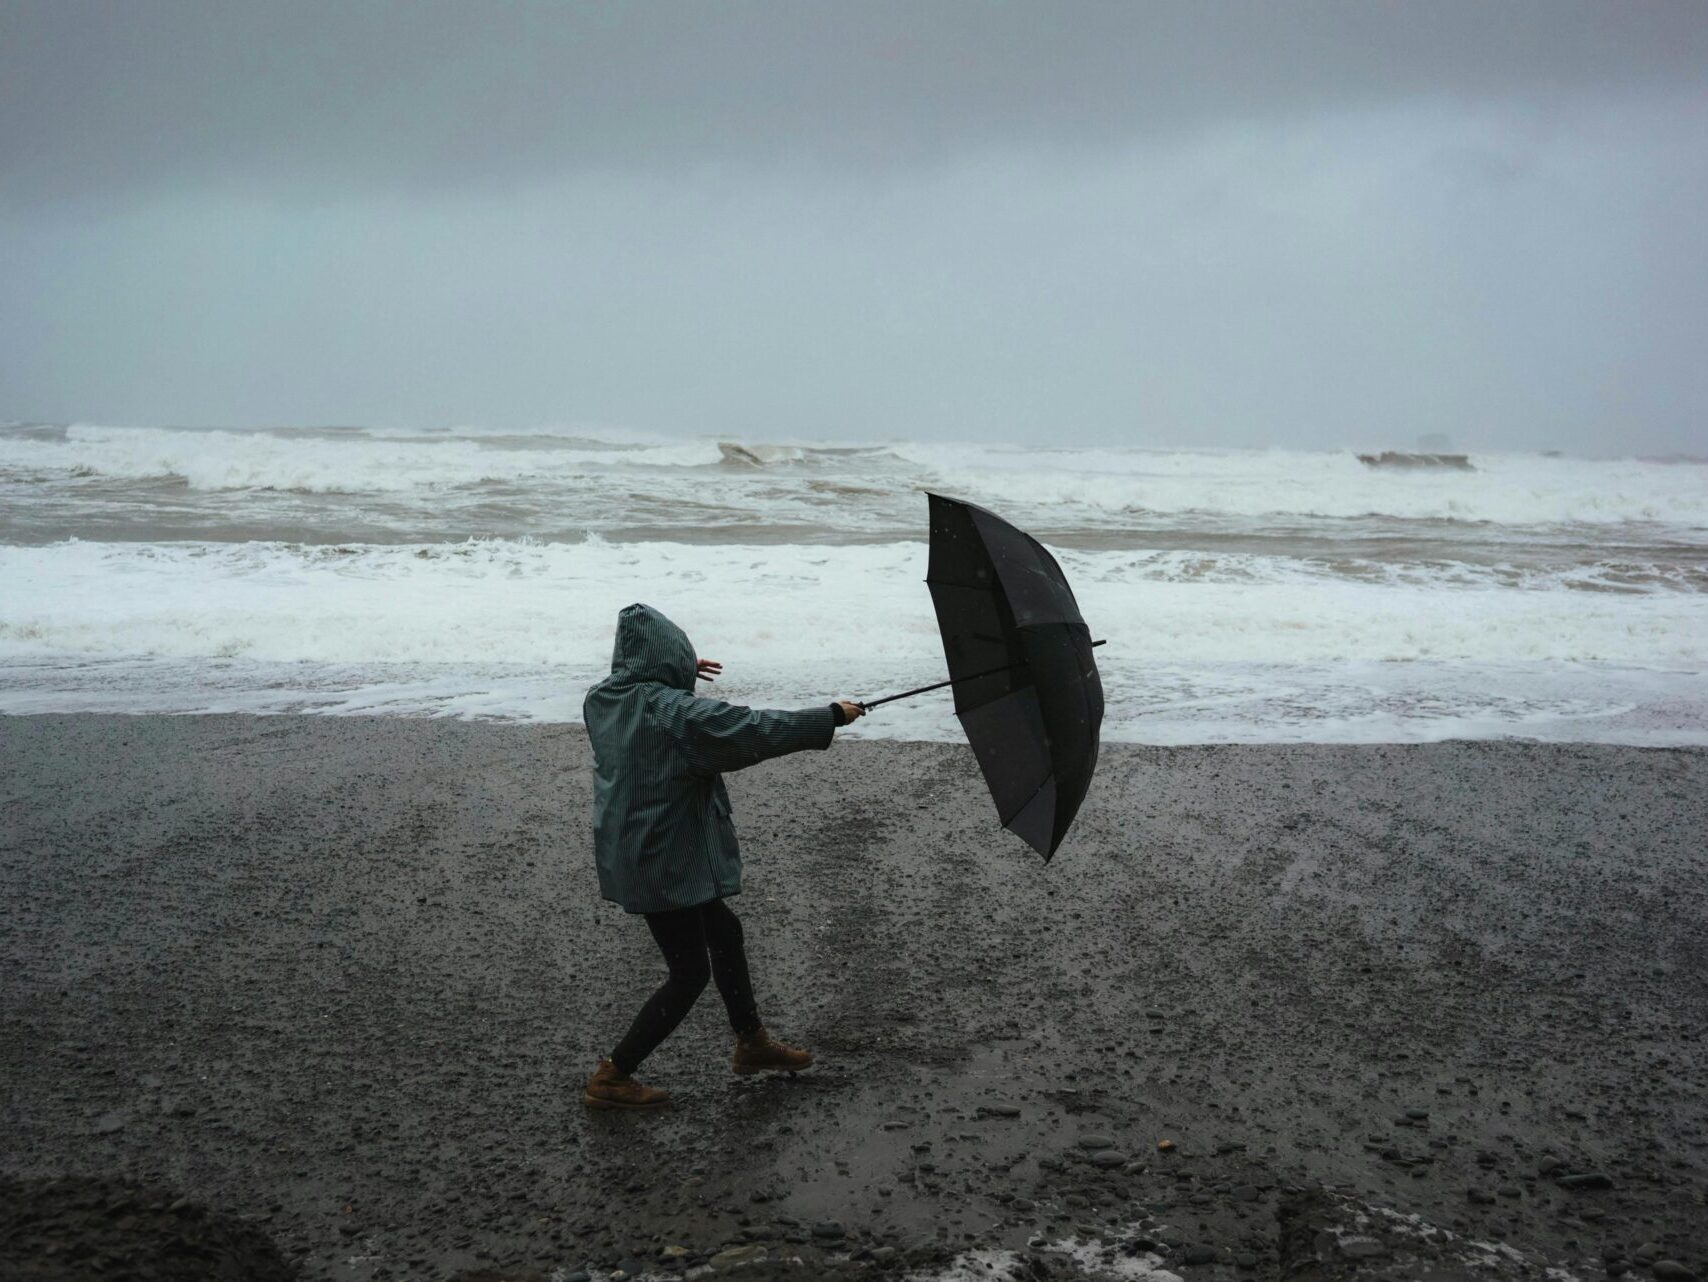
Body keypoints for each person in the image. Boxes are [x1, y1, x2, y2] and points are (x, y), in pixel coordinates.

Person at [580, 602, 865, 1109]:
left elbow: (651, 697)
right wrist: (828, 718)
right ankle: (614, 1074)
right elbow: (750, 729)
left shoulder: (603, 699)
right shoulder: (674, 713)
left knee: (724, 930)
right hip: (662, 858)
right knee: (688, 972)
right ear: (665, 659)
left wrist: (677, 670)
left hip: (635, 846)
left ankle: (751, 1043)